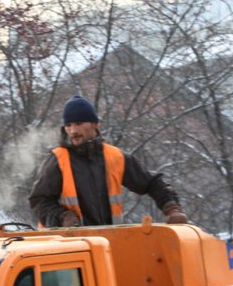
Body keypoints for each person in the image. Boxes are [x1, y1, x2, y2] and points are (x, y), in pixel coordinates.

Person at [29, 95, 188, 227]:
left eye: (78, 123)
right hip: (67, 250)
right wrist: (62, 217)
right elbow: (39, 201)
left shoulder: (114, 156)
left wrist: (172, 208)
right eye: (68, 125)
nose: (73, 131)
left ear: (95, 124)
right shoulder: (57, 160)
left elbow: (152, 183)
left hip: (108, 245)